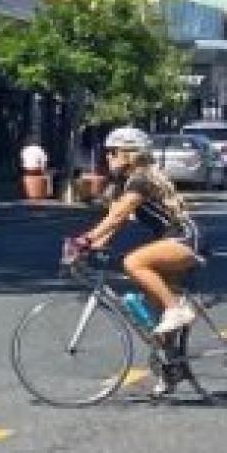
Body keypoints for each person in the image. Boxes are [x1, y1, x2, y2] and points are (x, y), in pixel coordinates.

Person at [73, 126, 201, 336]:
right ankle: (174, 363)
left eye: (113, 152)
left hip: (183, 240)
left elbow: (119, 216)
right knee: (156, 320)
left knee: (133, 262)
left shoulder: (142, 181)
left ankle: (177, 310)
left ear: (129, 154)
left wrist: (84, 239)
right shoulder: (126, 182)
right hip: (169, 241)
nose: (108, 156)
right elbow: (114, 220)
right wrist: (92, 246)